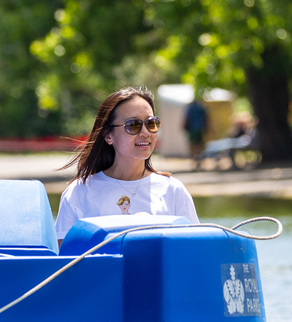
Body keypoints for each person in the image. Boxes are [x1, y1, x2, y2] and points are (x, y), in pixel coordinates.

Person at [55, 86, 199, 239]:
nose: (145, 133)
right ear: (108, 135)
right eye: (133, 125)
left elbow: (195, 252)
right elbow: (66, 259)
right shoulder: (79, 192)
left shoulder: (173, 191)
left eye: (151, 123)